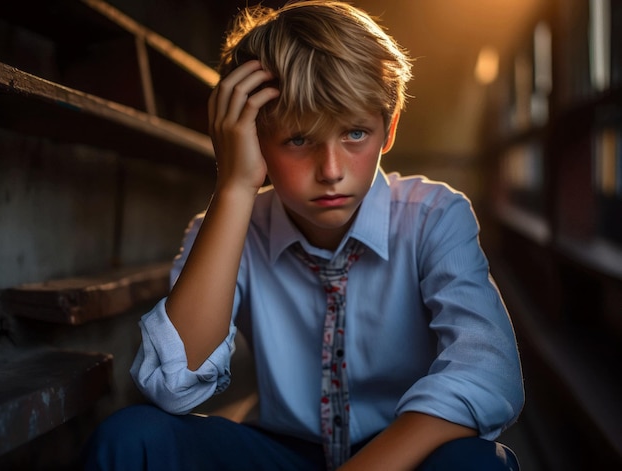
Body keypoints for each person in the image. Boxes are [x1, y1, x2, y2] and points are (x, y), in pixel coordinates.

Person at [84, 1, 524, 469]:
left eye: (355, 133)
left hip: (403, 455)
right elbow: (171, 389)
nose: (331, 172)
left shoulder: (434, 217)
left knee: (479, 463)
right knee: (131, 439)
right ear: (253, 139)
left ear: (389, 129)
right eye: (298, 140)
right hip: (283, 454)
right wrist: (234, 186)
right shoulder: (229, 228)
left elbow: (488, 370)